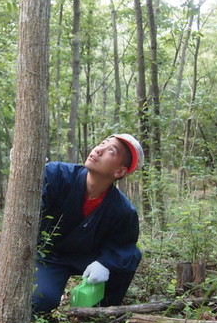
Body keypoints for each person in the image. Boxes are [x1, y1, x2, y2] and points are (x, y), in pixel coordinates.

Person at [32, 134, 144, 313]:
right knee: (39, 302)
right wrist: (25, 172)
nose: (98, 150)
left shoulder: (123, 211)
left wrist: (105, 263)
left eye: (110, 151)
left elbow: (126, 249)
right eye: (102, 143)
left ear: (119, 172)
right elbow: (29, 208)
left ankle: (103, 309)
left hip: (89, 259)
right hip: (49, 257)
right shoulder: (56, 174)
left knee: (130, 258)